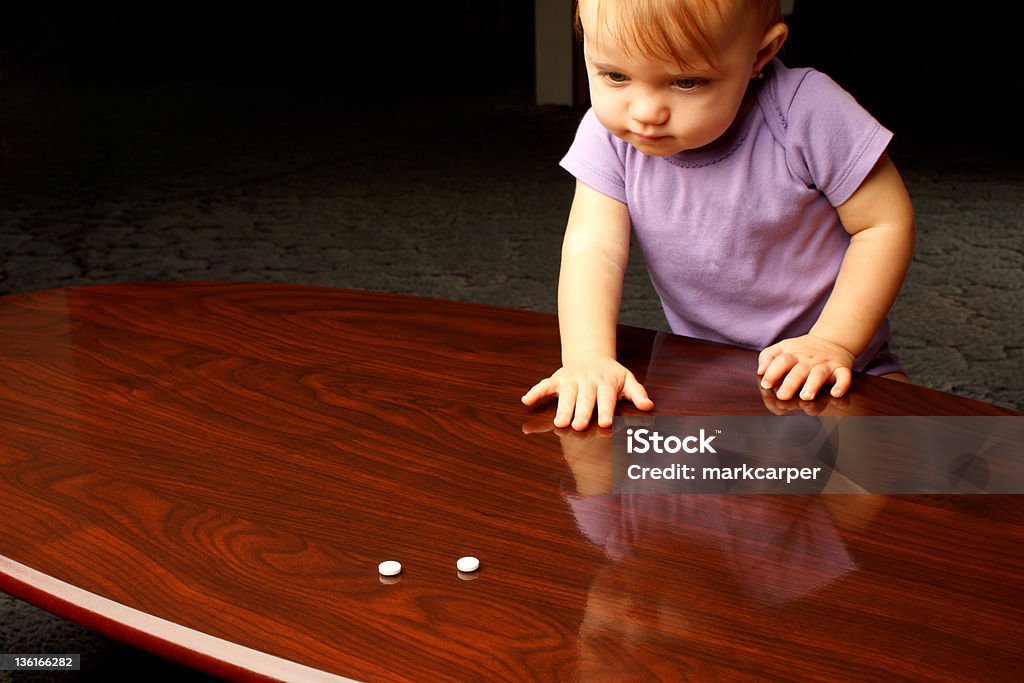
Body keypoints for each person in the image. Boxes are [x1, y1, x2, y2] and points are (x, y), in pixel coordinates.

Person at [522, 0, 915, 430]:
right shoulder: (612, 138)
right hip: (702, 371)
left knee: (883, 461)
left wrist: (834, 341)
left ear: (760, 55)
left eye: (686, 81)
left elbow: (883, 224)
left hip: (839, 366)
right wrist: (588, 358)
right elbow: (592, 247)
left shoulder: (804, 111)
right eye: (615, 75)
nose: (645, 112)